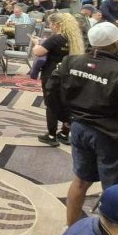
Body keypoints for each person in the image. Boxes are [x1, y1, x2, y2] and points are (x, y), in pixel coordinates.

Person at [45, 22, 118, 226]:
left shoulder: (70, 62)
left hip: (79, 129)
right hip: (111, 135)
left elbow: (51, 91)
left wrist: (65, 117)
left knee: (80, 180)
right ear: (116, 44)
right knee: (115, 190)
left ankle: (70, 227)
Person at [34, 13, 85, 146]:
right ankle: (64, 134)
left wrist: (36, 44)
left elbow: (38, 52)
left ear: (56, 25)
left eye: (51, 24)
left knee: (51, 104)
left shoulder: (55, 38)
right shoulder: (74, 38)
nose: (50, 26)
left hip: (52, 73)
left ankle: (51, 135)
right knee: (67, 103)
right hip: (68, 73)